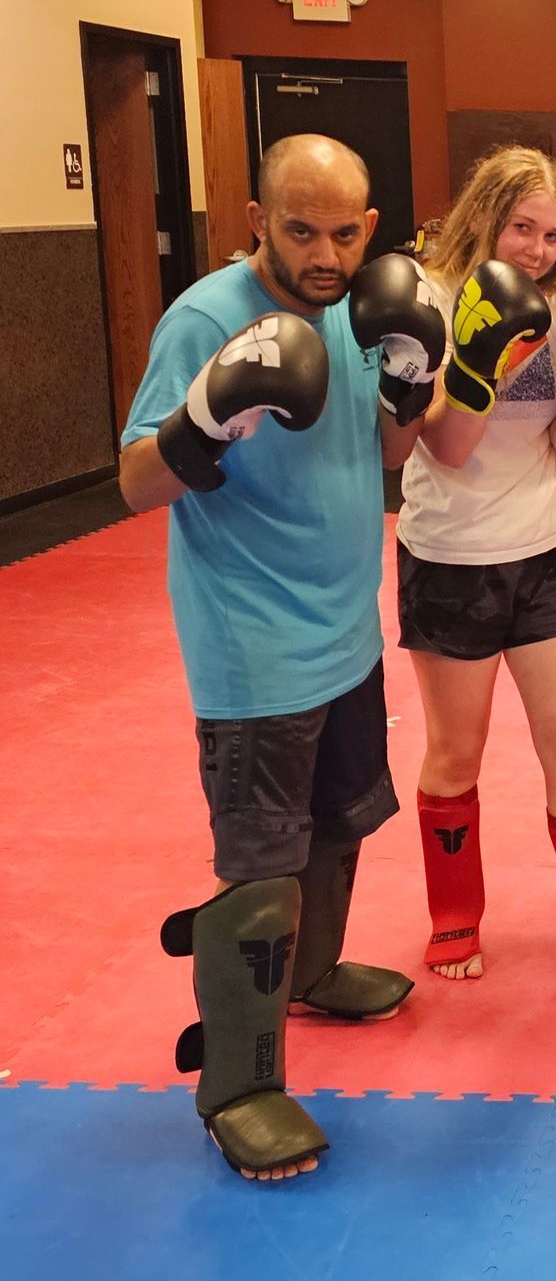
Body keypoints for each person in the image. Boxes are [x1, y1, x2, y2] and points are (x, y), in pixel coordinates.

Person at [119, 135, 424, 1181]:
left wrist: (413, 386)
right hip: (252, 645)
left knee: (339, 829)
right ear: (257, 217)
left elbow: (383, 455)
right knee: (261, 872)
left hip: (345, 625)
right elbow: (130, 482)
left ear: (370, 227)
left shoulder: (363, 304)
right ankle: (238, 1087)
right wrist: (204, 418)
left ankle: (314, 971)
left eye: (345, 232)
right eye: (301, 230)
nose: (325, 253)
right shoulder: (207, 318)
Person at [398, 146, 556, 1005]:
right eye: (522, 229)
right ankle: (454, 914)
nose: (539, 251)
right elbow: (448, 444)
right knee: (455, 751)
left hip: (544, 550)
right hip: (449, 555)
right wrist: (478, 358)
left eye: (553, 235)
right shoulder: (428, 300)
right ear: (483, 217)